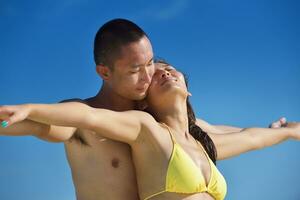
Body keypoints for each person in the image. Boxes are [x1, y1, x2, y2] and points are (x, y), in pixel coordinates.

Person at [0, 18, 287, 200]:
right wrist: (23, 111)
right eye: (136, 69)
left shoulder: (158, 121)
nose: (149, 74)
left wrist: (276, 131)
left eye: (150, 62)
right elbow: (36, 123)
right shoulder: (80, 118)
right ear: (104, 71)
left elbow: (217, 131)